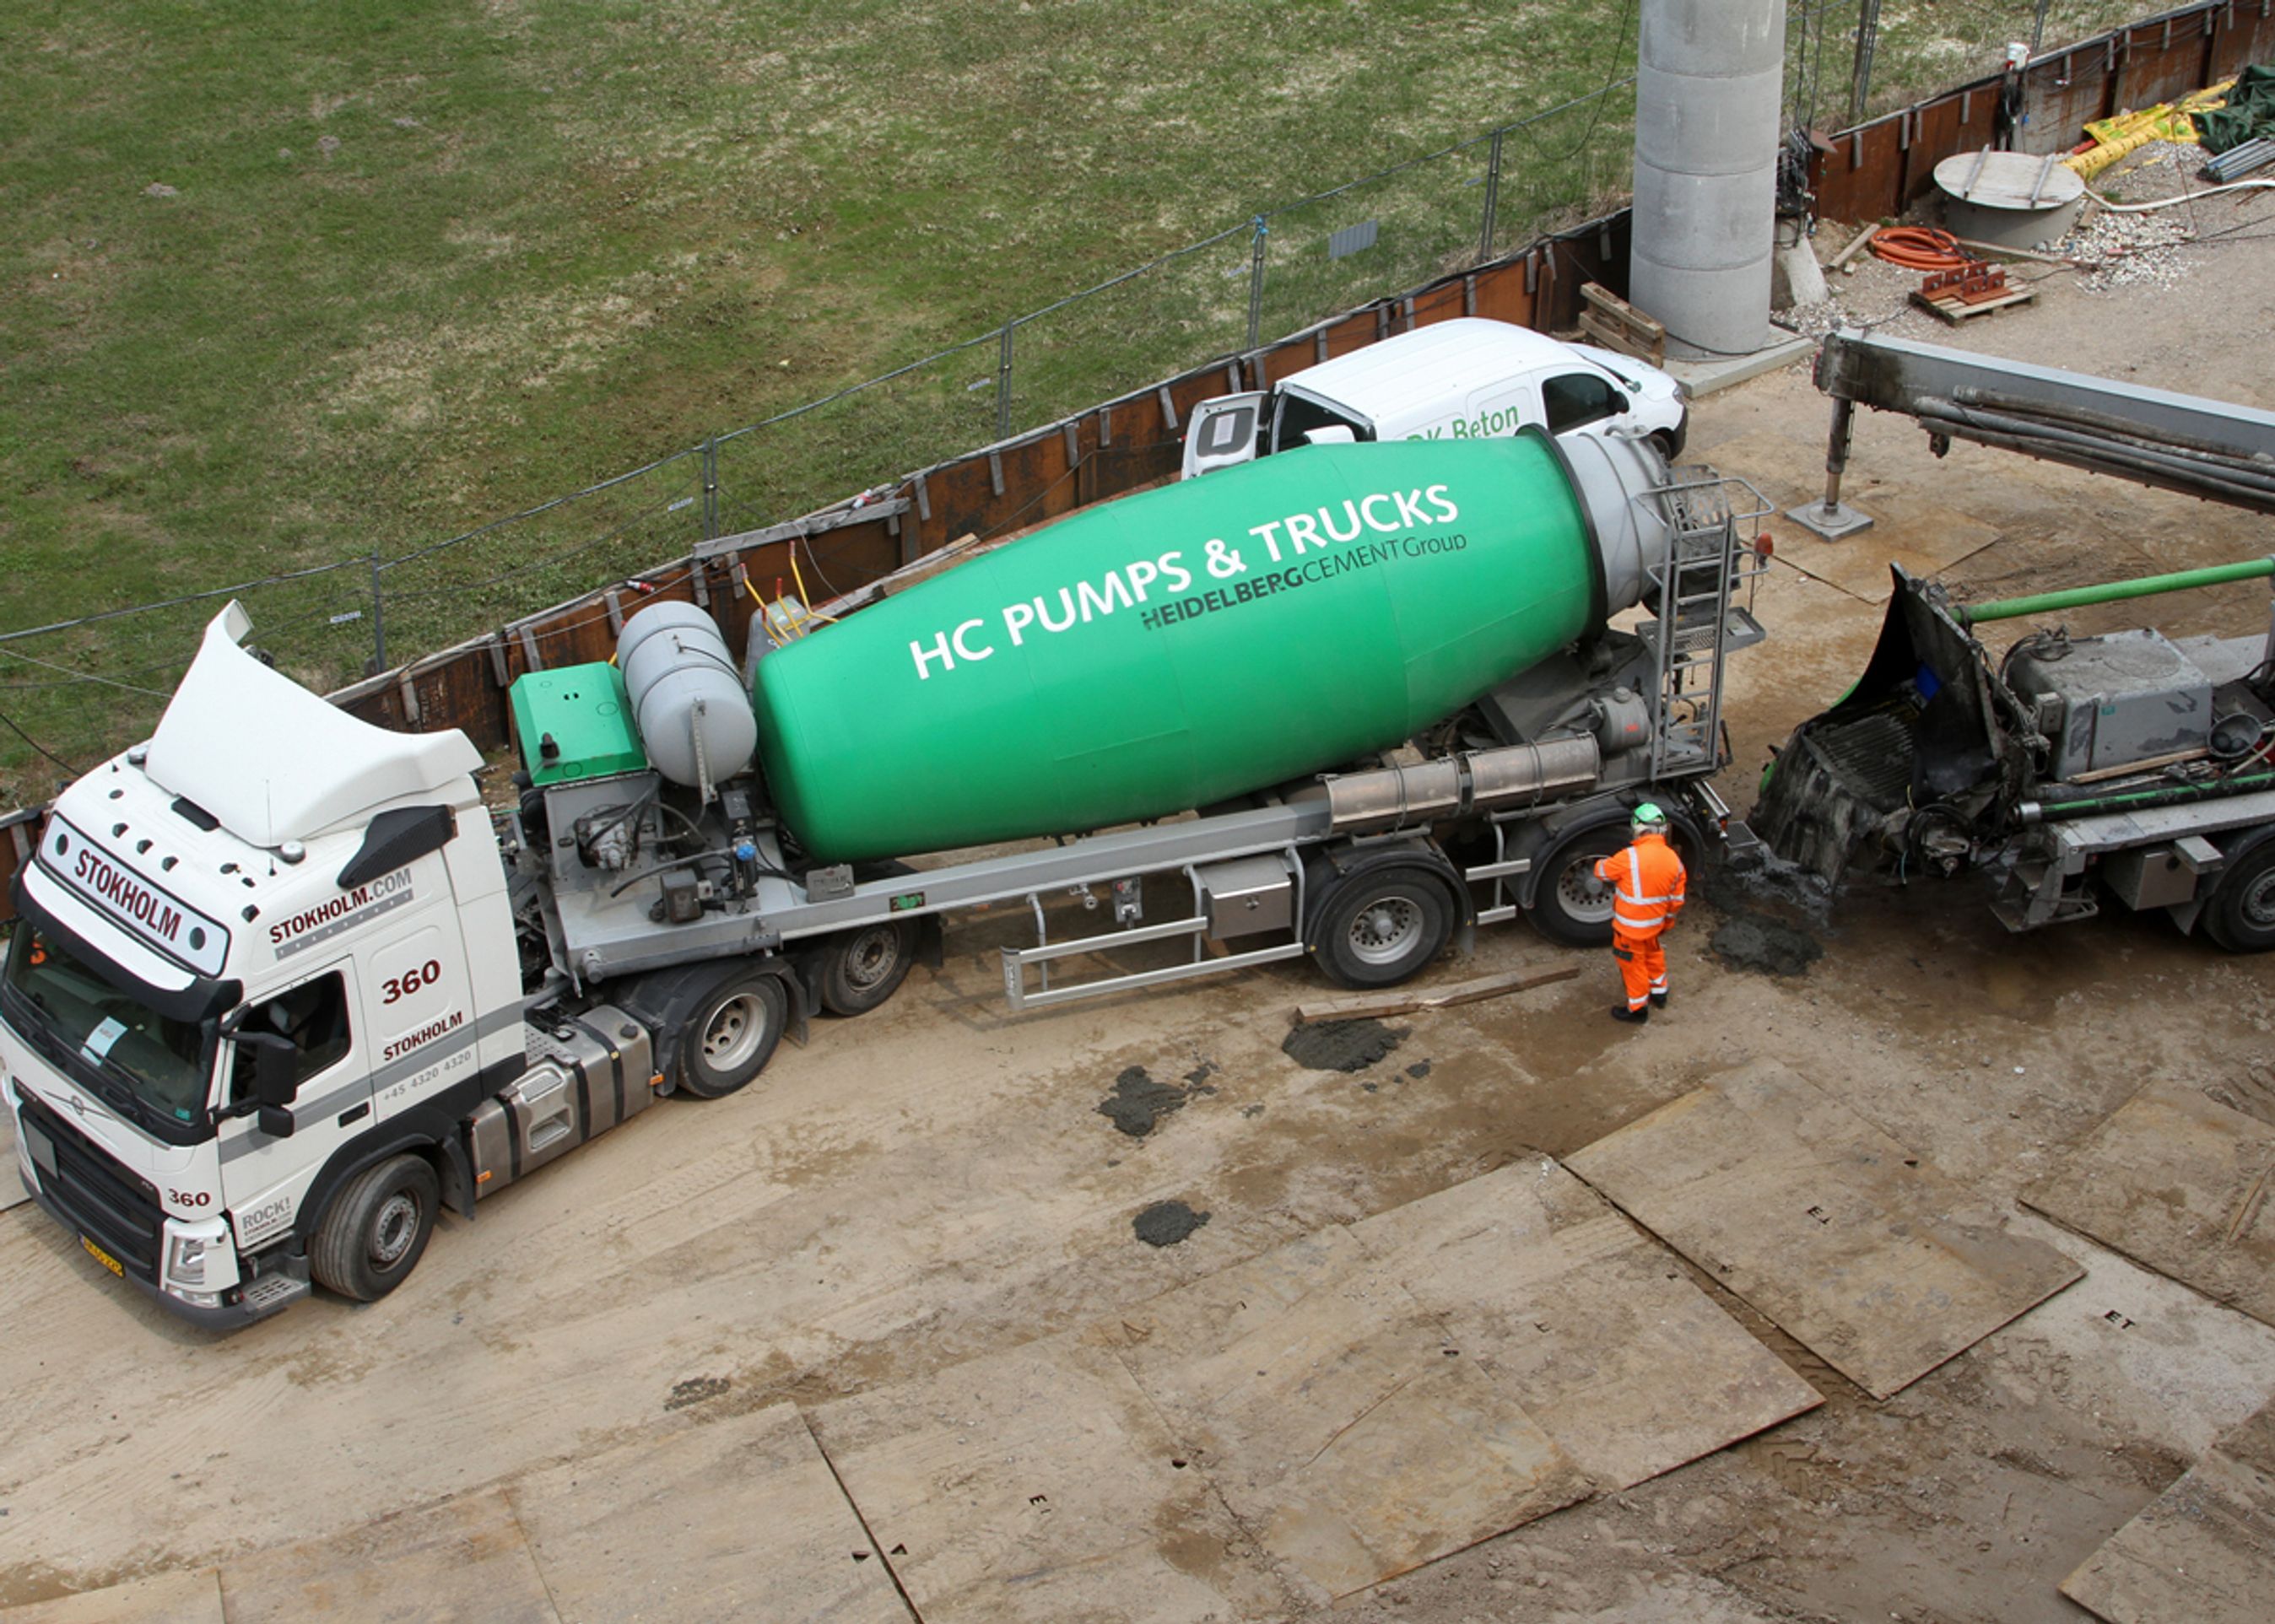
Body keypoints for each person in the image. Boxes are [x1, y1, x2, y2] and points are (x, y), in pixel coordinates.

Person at [1593, 803, 1685, 1024]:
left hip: (1629, 930)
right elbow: (1676, 900)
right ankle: (1660, 992)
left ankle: (1637, 1009)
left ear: (1637, 828)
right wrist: (1668, 922)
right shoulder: (1674, 860)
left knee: (1633, 967)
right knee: (1653, 955)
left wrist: (1603, 862)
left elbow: (1601, 872)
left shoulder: (1629, 857)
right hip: (1654, 926)